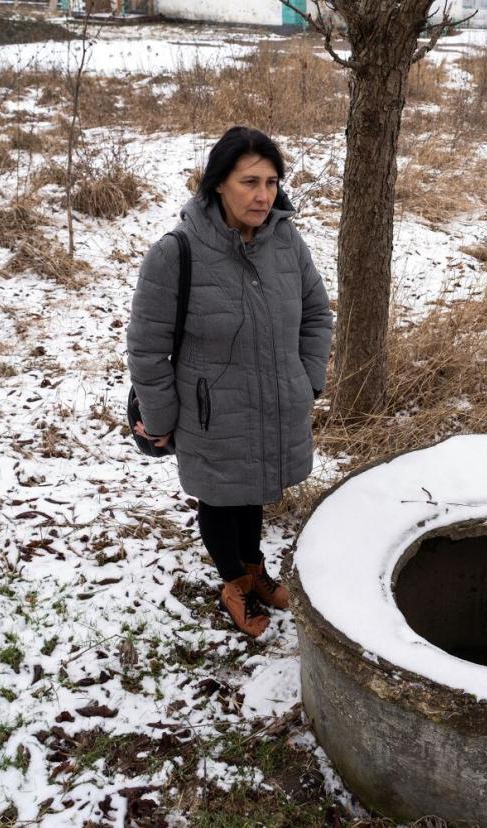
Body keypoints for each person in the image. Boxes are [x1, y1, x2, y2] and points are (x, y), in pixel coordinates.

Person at [126, 126, 333, 638]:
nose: (263, 195)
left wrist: (306, 379)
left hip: (273, 400)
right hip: (208, 408)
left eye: (271, 181)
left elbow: (316, 313)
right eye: (249, 182)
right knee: (221, 497)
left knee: (253, 491)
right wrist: (160, 418)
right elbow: (147, 347)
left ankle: (253, 568)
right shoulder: (176, 253)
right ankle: (232, 582)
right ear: (218, 183)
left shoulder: (285, 241)